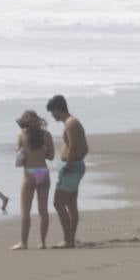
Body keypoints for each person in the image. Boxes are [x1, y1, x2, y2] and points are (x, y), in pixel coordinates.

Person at [48, 95, 87, 249]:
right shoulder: (72, 123)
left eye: (52, 112)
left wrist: (69, 165)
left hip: (71, 168)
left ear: (58, 109)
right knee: (71, 204)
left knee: (58, 202)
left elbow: (73, 146)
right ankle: (70, 238)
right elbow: (84, 148)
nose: (52, 116)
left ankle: (67, 239)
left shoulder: (71, 124)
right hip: (74, 167)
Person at [12, 110, 54, 250]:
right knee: (43, 210)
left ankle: (23, 243)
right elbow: (51, 156)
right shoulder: (47, 135)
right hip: (43, 172)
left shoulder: (21, 136)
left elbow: (19, 162)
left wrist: (24, 152)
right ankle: (42, 242)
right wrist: (42, 151)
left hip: (29, 173)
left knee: (25, 211)